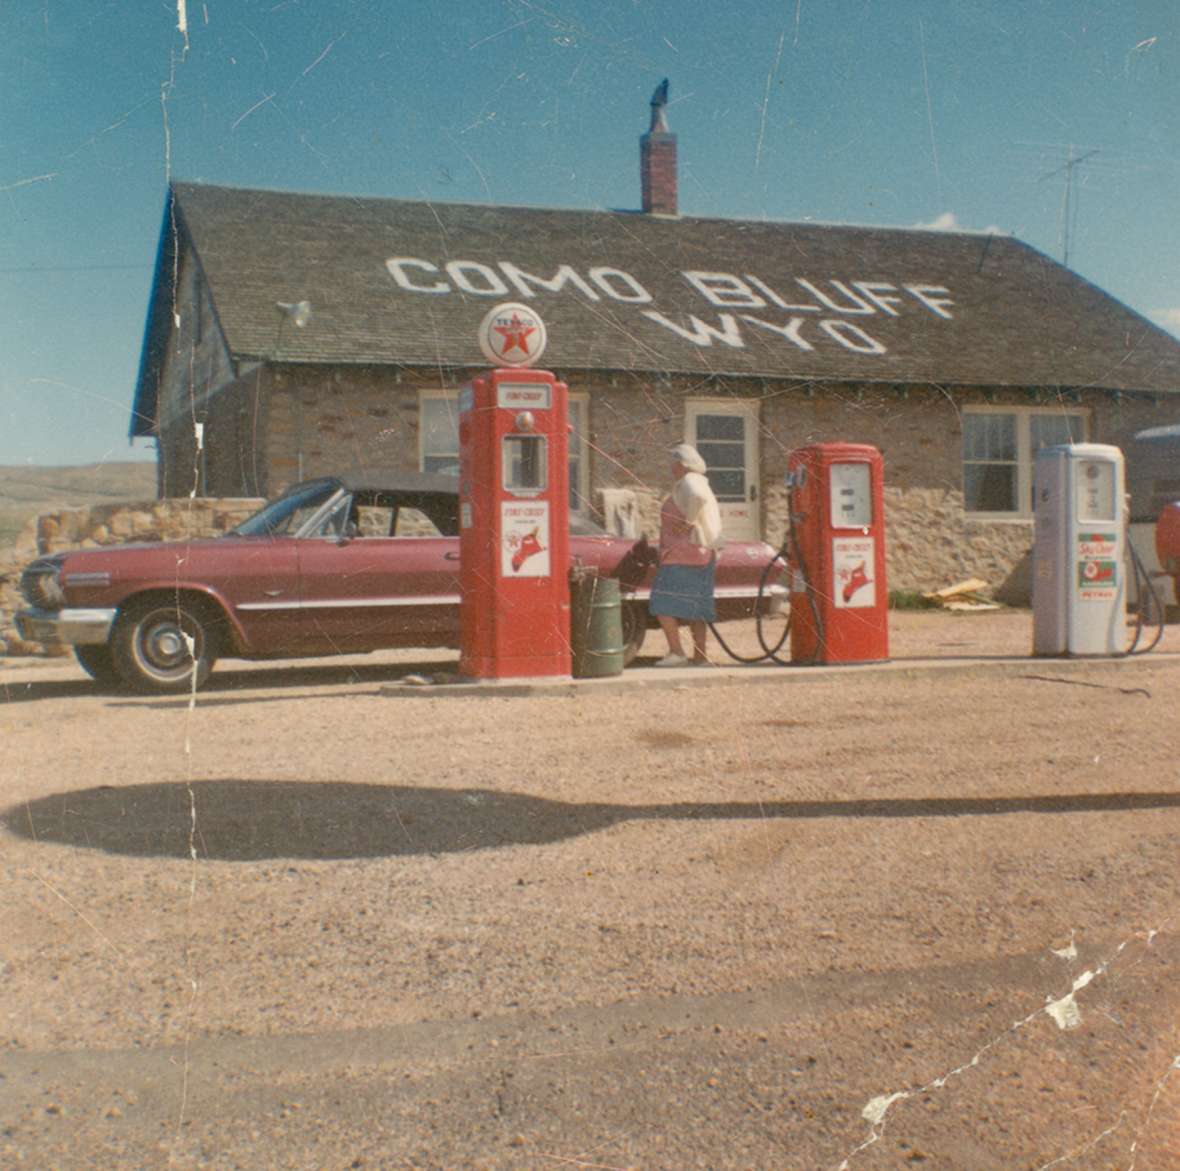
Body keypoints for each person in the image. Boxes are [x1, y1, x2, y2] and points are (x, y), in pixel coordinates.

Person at [648, 443, 724, 666]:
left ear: (681, 464)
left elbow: (697, 498)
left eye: (673, 464)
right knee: (696, 608)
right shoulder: (699, 481)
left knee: (661, 603)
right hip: (701, 553)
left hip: (682, 554)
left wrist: (688, 521)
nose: (671, 468)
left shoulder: (690, 481)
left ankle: (677, 653)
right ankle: (700, 656)